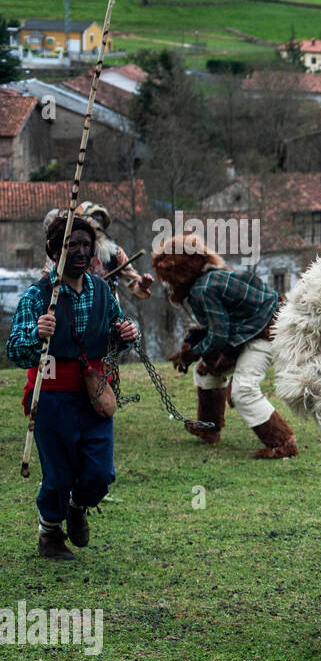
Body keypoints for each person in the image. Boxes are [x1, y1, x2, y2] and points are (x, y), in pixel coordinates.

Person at [7, 211, 139, 558]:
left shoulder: (101, 291)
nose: (80, 251)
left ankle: (77, 507)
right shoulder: (38, 297)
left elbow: (114, 333)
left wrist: (126, 333)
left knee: (99, 474)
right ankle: (49, 532)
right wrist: (37, 334)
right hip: (50, 399)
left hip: (94, 395)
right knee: (58, 476)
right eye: (71, 245)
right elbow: (15, 351)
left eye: (86, 244)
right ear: (54, 252)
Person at [152, 234, 298, 459]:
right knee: (206, 373)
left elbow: (219, 335)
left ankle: (282, 443)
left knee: (244, 390)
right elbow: (224, 325)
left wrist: (192, 353)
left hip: (267, 332)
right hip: (252, 330)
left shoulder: (202, 289)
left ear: (180, 274)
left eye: (169, 281)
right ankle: (209, 427)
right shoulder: (213, 276)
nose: (169, 287)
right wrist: (204, 354)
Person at [77, 201, 153, 300]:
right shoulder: (66, 251)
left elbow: (134, 285)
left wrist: (142, 285)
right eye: (93, 220)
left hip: (108, 311)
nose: (97, 226)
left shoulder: (114, 252)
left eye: (100, 222)